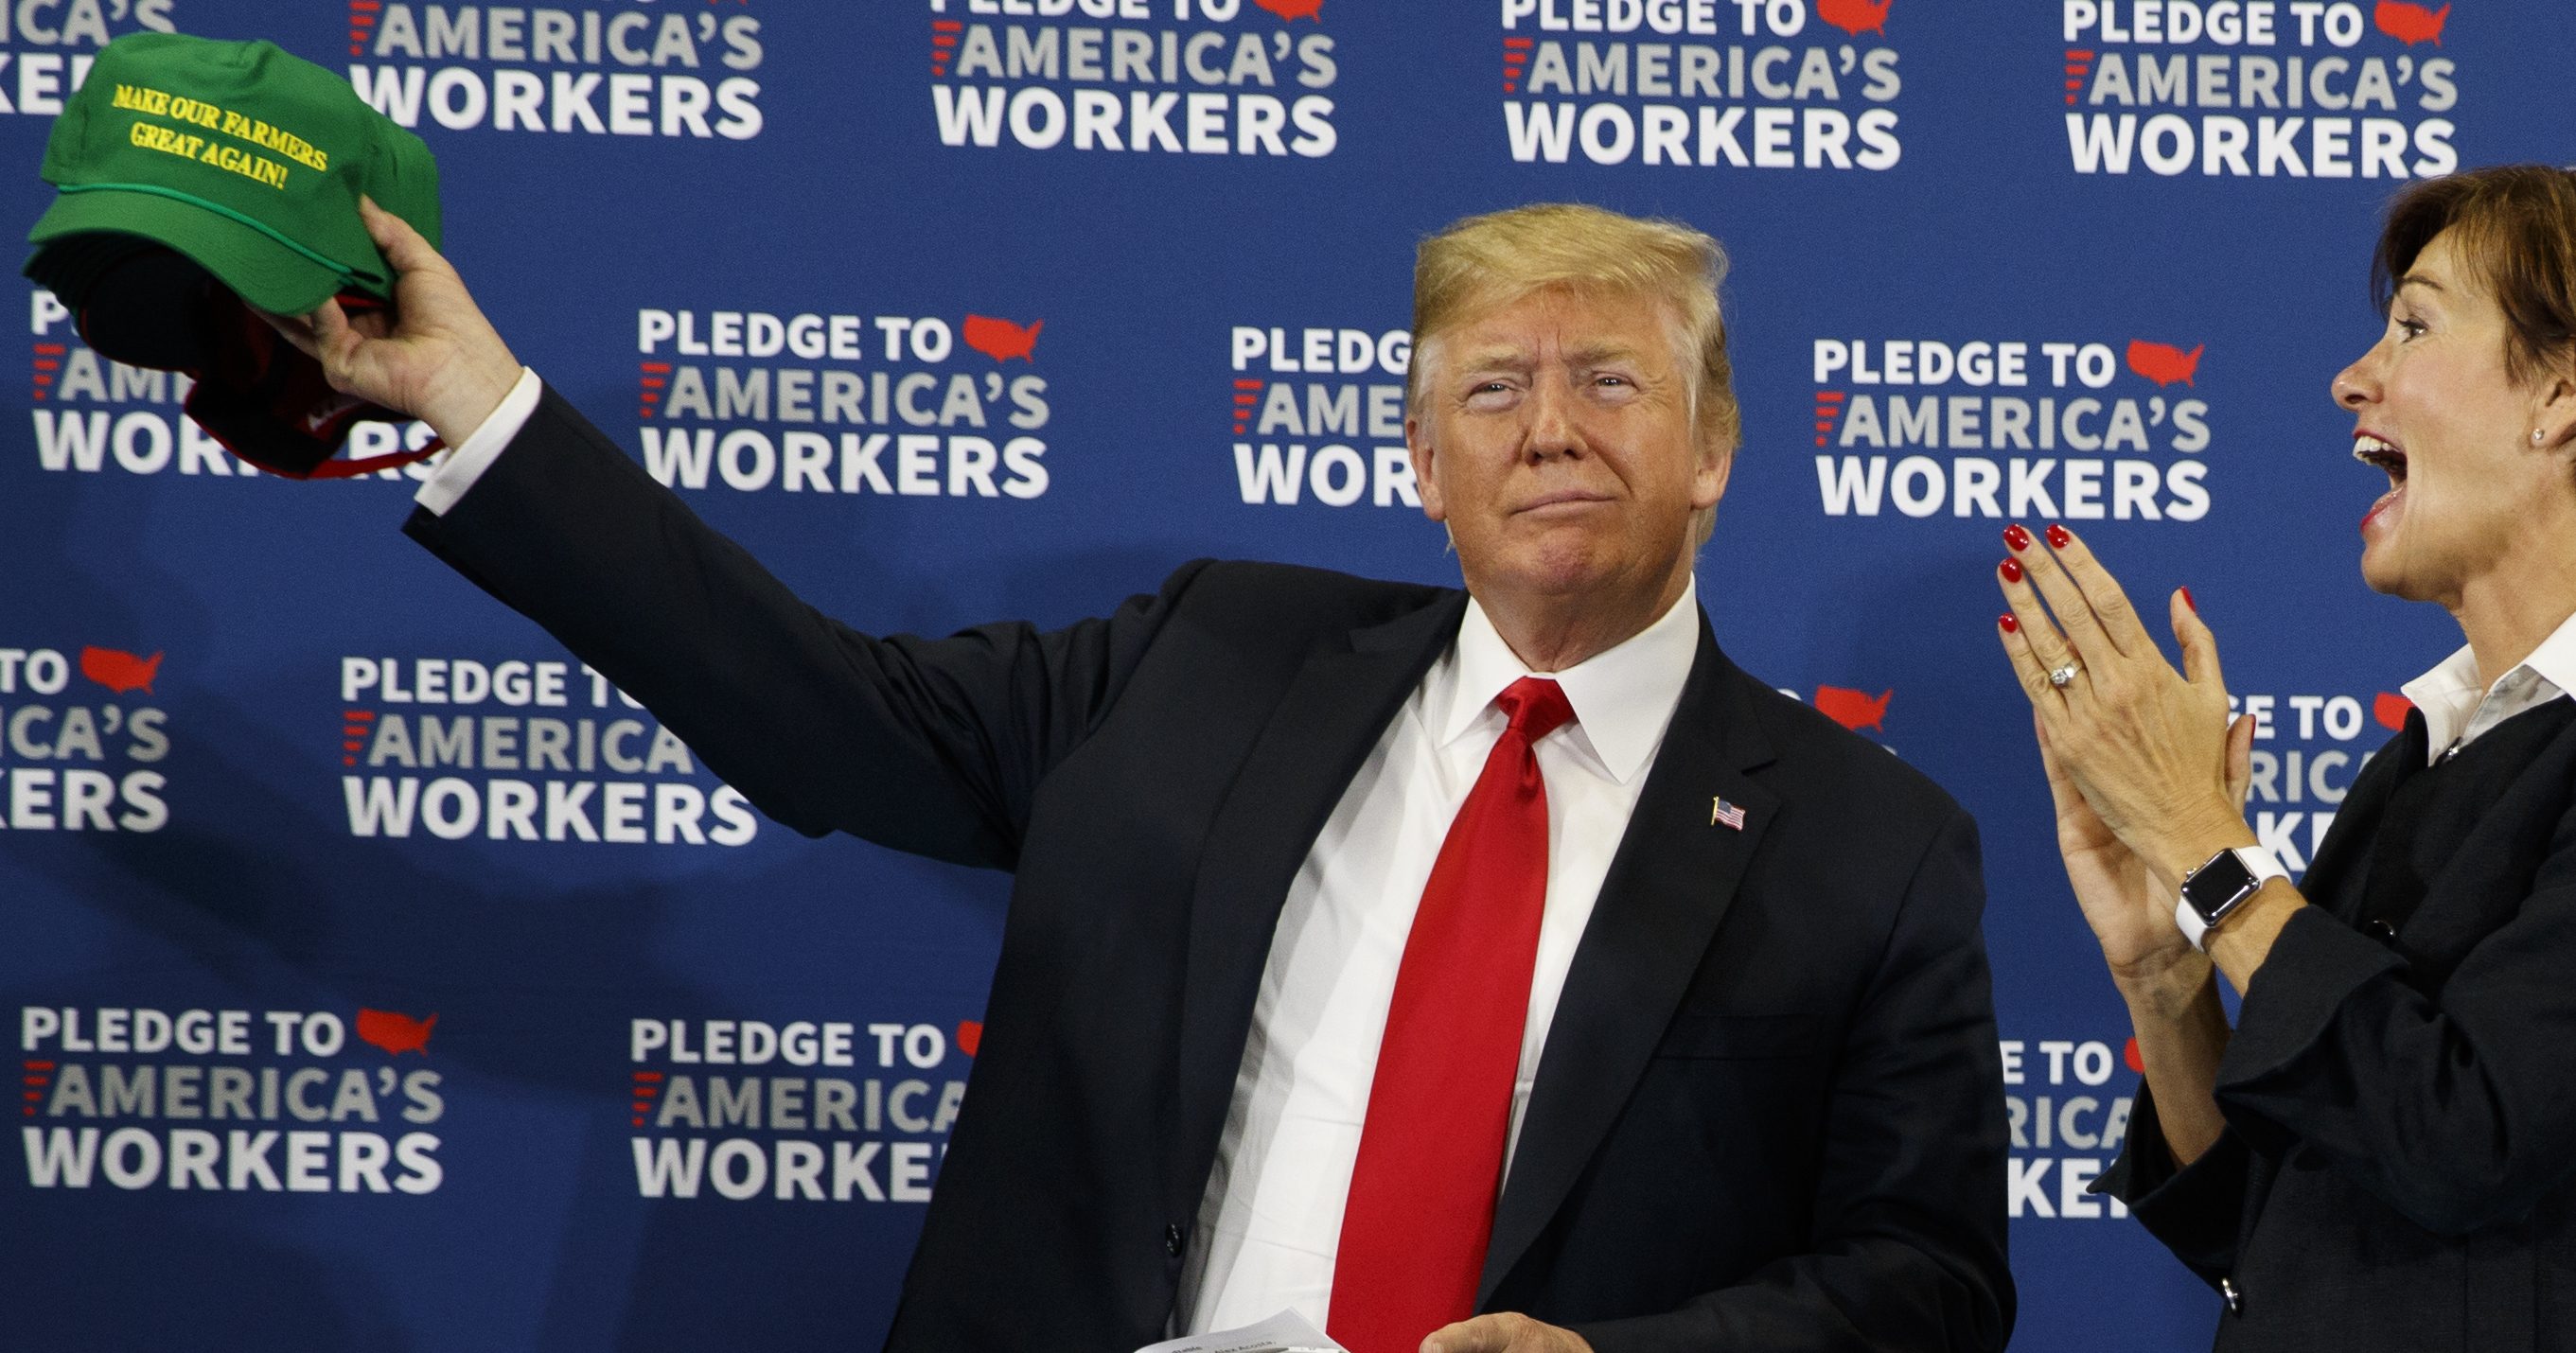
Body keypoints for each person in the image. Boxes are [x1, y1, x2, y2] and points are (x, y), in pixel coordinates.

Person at [274, 200, 2011, 1353]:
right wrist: (480, 403)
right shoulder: (1210, 660)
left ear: (1712, 448)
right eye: (1492, 389)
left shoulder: (1870, 845)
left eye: (1610, 381)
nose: (1548, 426)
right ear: (1420, 462)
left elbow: (1926, 1280)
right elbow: (815, 711)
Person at [1993, 164, 2576, 1350]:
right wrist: (2166, 972)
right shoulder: (2422, 756)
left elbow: (2461, 1136)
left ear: (2559, 394)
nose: (2351, 378)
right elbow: (2262, 1220)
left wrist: (2205, 845)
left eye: (2413, 324)